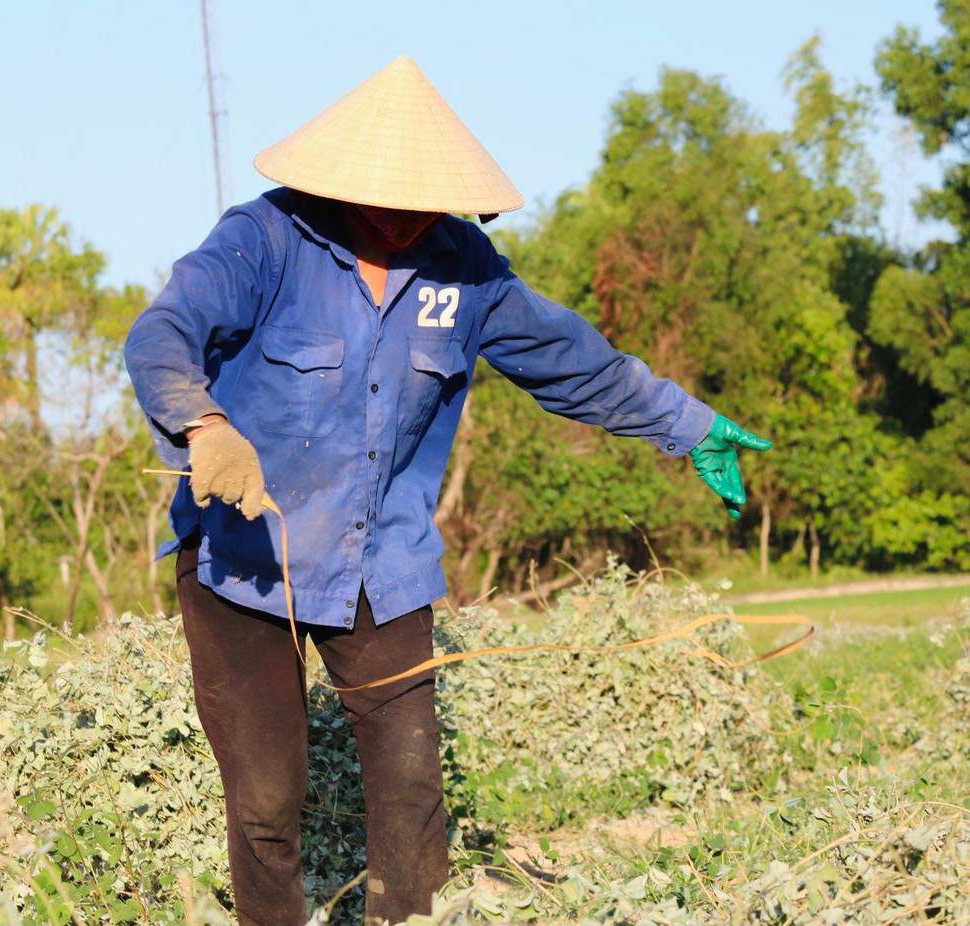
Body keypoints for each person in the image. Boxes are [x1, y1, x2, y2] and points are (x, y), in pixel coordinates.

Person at [123, 56, 769, 926]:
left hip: (379, 565)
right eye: (390, 197)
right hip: (246, 562)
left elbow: (575, 363)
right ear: (343, 178)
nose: (407, 218)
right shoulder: (261, 242)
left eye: (427, 200)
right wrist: (203, 426)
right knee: (268, 804)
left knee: (413, 795)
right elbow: (162, 333)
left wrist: (688, 426)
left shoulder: (466, 269)